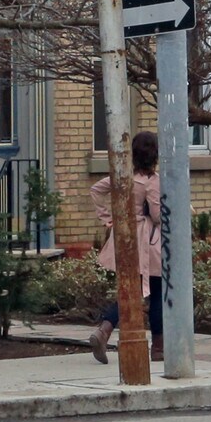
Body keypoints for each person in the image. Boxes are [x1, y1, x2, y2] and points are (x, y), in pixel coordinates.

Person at [88, 130, 162, 365]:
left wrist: (108, 219)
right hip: (148, 240)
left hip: (126, 236)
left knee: (131, 288)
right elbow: (159, 215)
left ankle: (104, 330)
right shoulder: (152, 181)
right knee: (157, 291)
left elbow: (96, 190)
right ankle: (158, 347)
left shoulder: (123, 177)